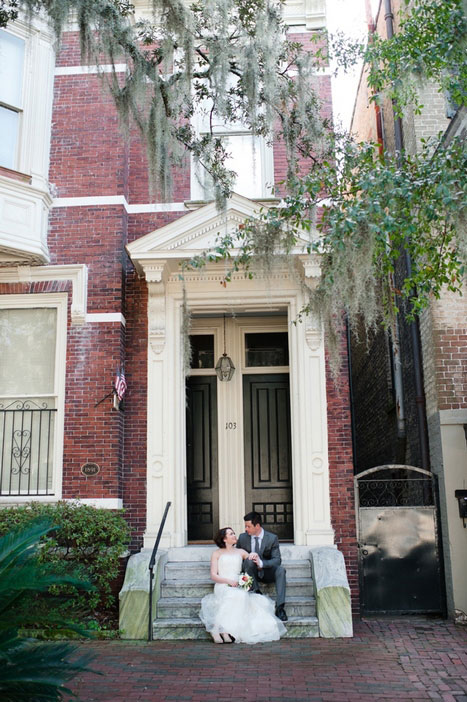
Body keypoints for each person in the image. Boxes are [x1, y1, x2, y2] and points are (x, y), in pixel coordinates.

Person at [199, 526, 286, 644]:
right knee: (232, 595)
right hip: (223, 584)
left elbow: (251, 558)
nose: (235, 536)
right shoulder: (216, 553)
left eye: (234, 533)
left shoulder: (240, 552)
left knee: (241, 595)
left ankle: (225, 630)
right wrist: (228, 581)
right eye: (231, 534)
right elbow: (213, 575)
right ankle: (216, 629)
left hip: (238, 584)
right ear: (224, 539)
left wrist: (254, 555)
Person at [236, 511, 288, 621]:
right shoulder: (242, 538)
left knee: (281, 571)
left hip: (266, 571)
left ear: (257, 526)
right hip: (251, 573)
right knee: (248, 562)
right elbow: (238, 558)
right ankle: (256, 593)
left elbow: (277, 560)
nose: (246, 529)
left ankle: (280, 607)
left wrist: (262, 563)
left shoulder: (272, 538)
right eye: (245, 526)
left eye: (248, 526)